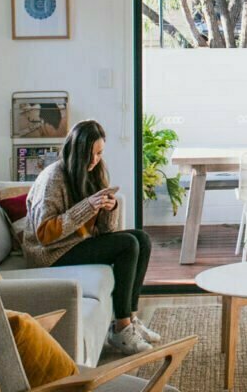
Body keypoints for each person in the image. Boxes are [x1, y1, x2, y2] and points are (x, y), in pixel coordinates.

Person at [24, 119, 161, 354]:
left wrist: (110, 208)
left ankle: (131, 320)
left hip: (75, 243)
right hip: (50, 253)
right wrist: (87, 207)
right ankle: (121, 329)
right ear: (78, 152)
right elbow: (45, 234)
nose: (96, 159)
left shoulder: (94, 170)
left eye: (100, 153)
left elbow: (106, 232)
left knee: (142, 239)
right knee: (128, 244)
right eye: (92, 153)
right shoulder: (53, 178)